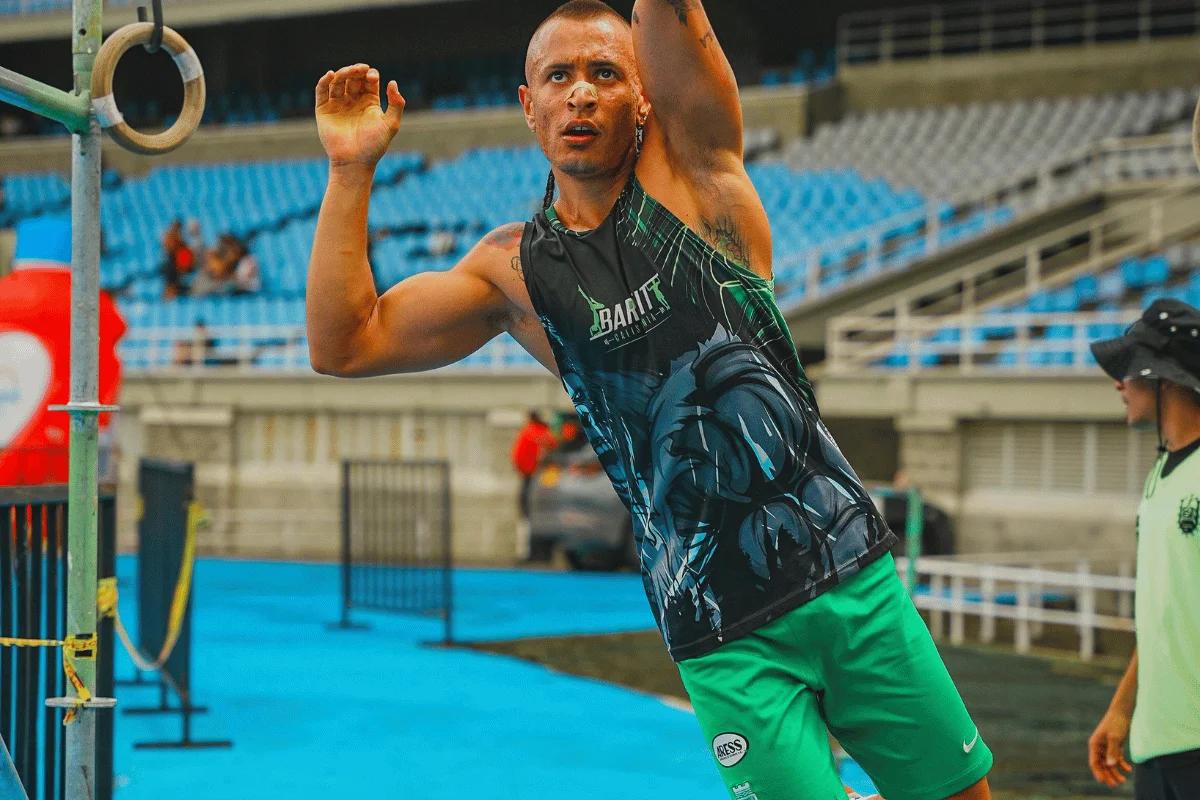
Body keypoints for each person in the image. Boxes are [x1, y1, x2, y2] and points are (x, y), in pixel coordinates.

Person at [306, 3, 992, 798]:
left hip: (847, 578)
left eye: (606, 73)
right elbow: (343, 345)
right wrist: (351, 171)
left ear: (645, 97)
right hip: (718, 627)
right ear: (528, 105)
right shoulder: (513, 272)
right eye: (557, 76)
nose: (581, 94)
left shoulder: (700, 176)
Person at [1087, 298, 1200, 799]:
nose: (1119, 384)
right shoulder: (1159, 476)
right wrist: (1122, 708)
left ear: (1165, 381)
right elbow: (1166, 613)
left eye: (1129, 372)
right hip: (1156, 745)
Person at [510, 411, 558, 519]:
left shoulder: (529, 430)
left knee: (527, 491)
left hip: (528, 467)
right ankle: (530, 513)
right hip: (533, 468)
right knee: (531, 491)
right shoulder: (538, 430)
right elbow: (552, 443)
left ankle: (527, 513)